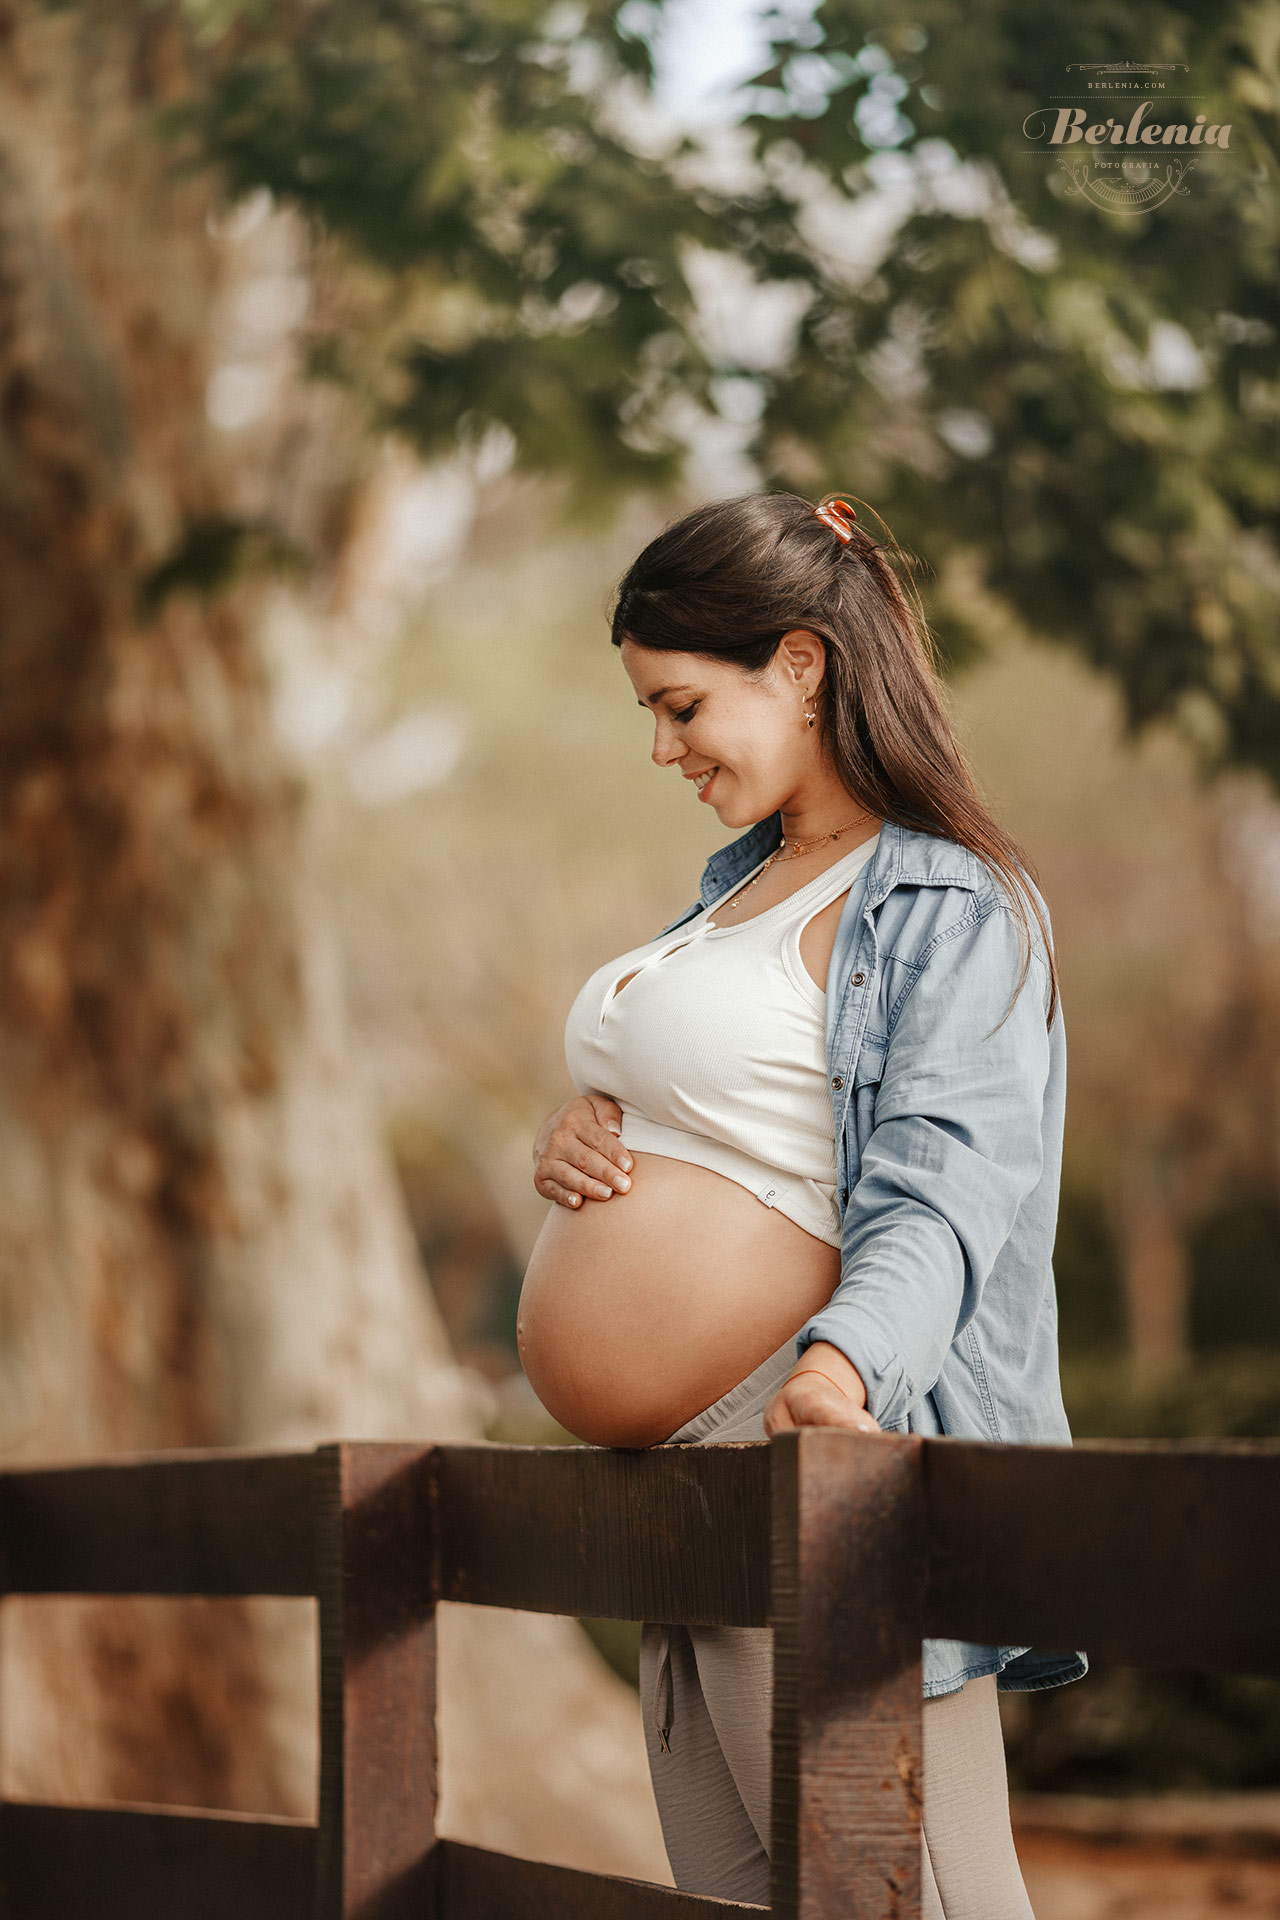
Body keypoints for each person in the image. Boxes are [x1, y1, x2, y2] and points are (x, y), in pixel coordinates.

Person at [519, 491, 1085, 1918]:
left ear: (801, 663)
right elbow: (737, 1109)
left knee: (910, 1901)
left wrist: (843, 1372)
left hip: (811, 1455)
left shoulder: (949, 906)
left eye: (682, 705)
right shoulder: (740, 889)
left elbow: (948, 1179)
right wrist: (588, 1137)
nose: (663, 748)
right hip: (687, 1494)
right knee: (745, 1898)